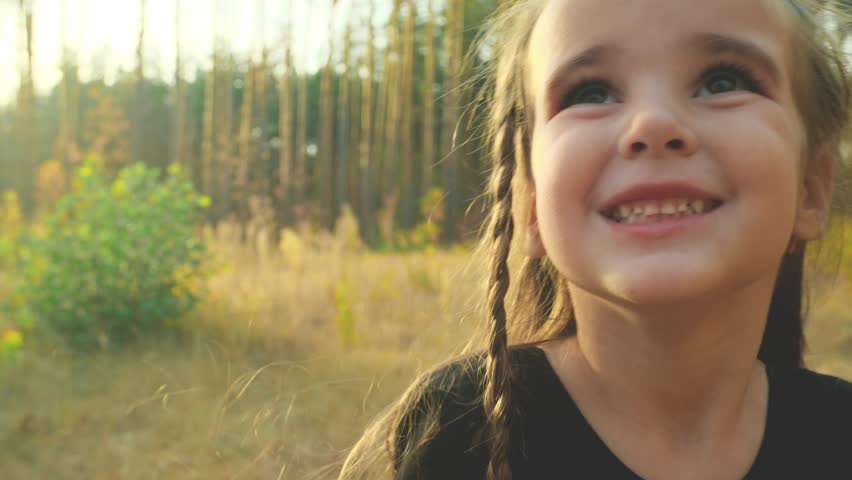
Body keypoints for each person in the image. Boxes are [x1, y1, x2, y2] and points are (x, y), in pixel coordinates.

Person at [339, 0, 852, 478]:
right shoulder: (467, 426)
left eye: (722, 81)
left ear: (811, 188)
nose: (652, 124)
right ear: (531, 205)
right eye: (591, 93)